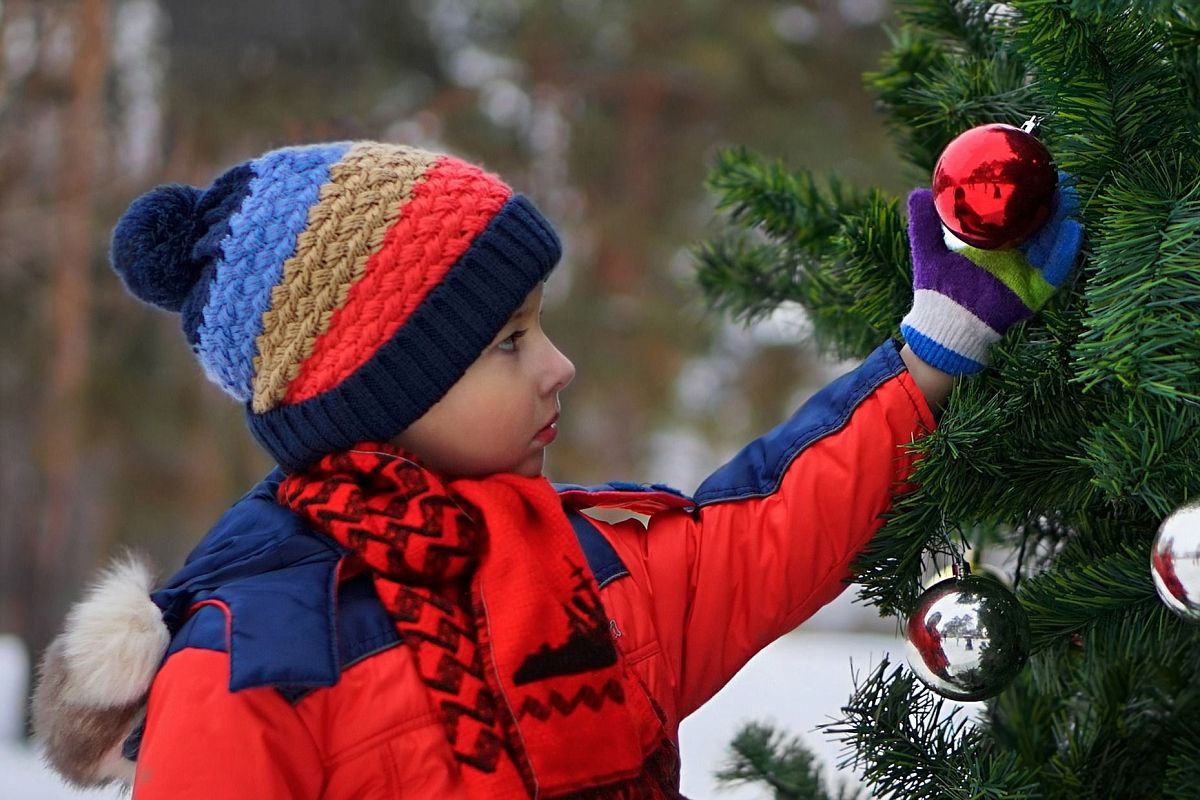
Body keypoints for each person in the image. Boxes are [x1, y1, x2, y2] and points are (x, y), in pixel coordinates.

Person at [31, 141, 1082, 798]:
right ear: (378, 392)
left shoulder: (578, 564)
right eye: (508, 342)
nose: (559, 366)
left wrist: (936, 345)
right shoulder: (250, 659)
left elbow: (763, 531)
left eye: (542, 327)